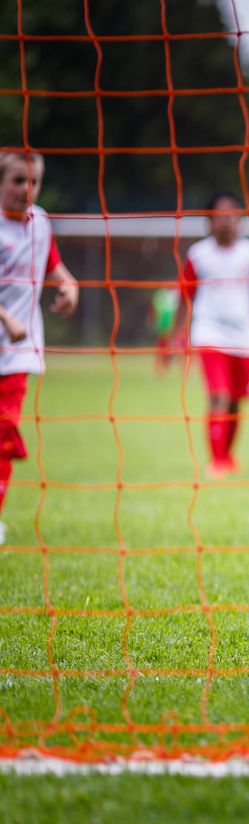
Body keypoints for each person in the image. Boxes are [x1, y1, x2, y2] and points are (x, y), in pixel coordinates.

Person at [0, 148, 79, 544]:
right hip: (9, 333)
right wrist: (6, 316)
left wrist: (69, 286)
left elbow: (52, 265)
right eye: (17, 180)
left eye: (34, 181)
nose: (26, 189)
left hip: (16, 353)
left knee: (4, 427)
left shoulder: (41, 222)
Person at [175, 192, 249, 479]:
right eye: (219, 216)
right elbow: (185, 296)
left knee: (235, 400)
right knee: (218, 394)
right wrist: (177, 334)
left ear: (240, 219)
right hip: (208, 333)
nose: (226, 221)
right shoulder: (198, 254)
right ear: (209, 220)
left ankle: (228, 456)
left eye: (232, 215)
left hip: (244, 337)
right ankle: (217, 461)